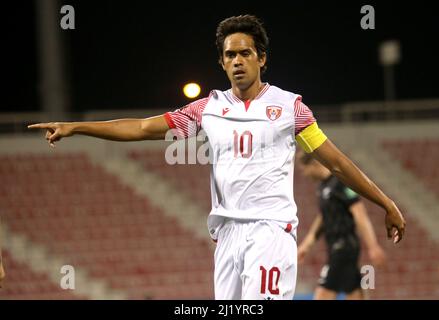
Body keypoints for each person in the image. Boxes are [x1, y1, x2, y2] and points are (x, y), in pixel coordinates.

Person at [28, 14, 405, 300]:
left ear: (262, 59)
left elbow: (336, 162)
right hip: (226, 235)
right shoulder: (207, 109)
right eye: (229, 55)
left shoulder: (290, 109)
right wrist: (77, 127)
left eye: (245, 53)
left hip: (270, 230)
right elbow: (143, 128)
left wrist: (386, 203)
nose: (237, 60)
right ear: (222, 64)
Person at [296, 150, 386, 300]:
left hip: (343, 248)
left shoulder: (341, 183)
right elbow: (324, 217)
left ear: (313, 164)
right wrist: (307, 244)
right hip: (337, 249)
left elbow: (360, 214)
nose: (305, 174)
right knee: (355, 294)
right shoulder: (323, 187)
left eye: (304, 169)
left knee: (322, 295)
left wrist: (373, 246)